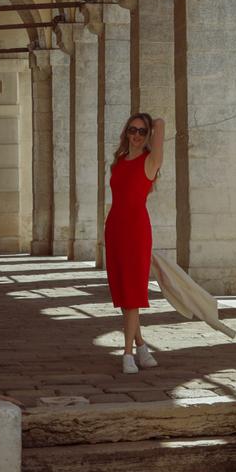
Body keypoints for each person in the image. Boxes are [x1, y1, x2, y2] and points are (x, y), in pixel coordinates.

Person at [103, 113, 164, 373]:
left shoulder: (150, 161)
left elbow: (161, 124)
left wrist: (153, 124)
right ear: (126, 132)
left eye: (142, 131)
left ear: (147, 135)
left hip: (137, 231)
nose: (137, 135)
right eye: (132, 130)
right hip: (115, 228)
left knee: (133, 295)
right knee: (122, 293)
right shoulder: (118, 162)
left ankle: (127, 354)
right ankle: (141, 347)